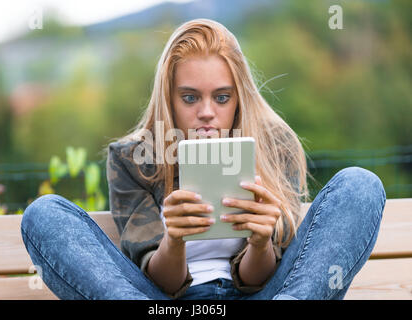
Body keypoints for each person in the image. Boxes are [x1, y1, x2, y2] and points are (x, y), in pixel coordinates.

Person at [20, 19, 386, 300]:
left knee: (360, 185)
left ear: (239, 97)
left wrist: (260, 244)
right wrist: (174, 241)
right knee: (44, 214)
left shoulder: (276, 149)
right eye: (190, 98)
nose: (207, 113)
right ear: (169, 98)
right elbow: (159, 278)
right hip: (159, 301)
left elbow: (265, 277)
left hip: (268, 295)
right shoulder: (132, 159)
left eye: (222, 98)